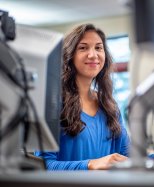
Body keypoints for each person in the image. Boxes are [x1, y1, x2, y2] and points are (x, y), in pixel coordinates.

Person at [35, 23, 130, 170]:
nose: (93, 55)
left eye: (98, 48)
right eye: (83, 48)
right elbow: (43, 165)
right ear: (69, 55)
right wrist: (90, 164)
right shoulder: (52, 104)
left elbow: (126, 155)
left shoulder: (110, 106)